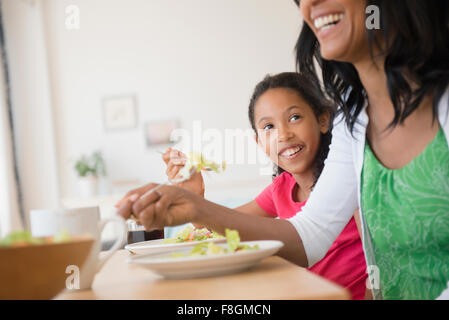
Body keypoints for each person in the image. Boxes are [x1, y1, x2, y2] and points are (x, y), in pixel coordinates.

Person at [116, 0, 449, 299]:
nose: (310, 3)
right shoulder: (355, 120)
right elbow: (308, 236)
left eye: (294, 117)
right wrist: (194, 206)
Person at [160, 72, 367, 299]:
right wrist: (195, 196)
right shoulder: (280, 188)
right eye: (268, 127)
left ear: (323, 120)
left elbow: (378, 260)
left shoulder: (346, 180)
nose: (283, 135)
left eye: (295, 117)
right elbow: (225, 226)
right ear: (259, 143)